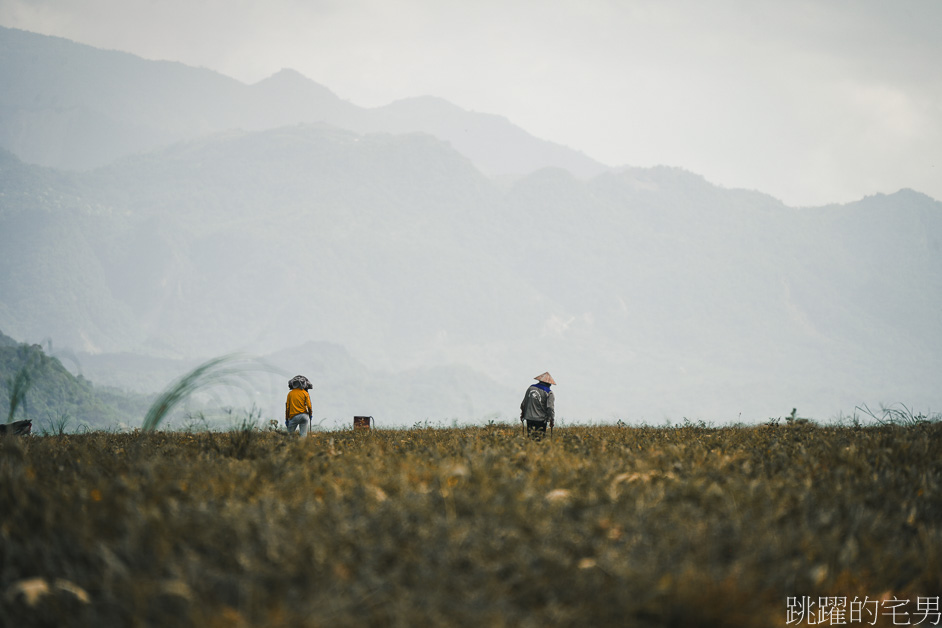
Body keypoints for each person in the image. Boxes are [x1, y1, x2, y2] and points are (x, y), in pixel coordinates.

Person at [520, 372, 555, 438]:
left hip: (529, 418)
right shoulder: (549, 393)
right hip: (541, 420)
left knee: (530, 439)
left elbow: (523, 404)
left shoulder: (530, 388)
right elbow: (550, 408)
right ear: (549, 383)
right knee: (539, 440)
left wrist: (522, 414)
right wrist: (552, 420)